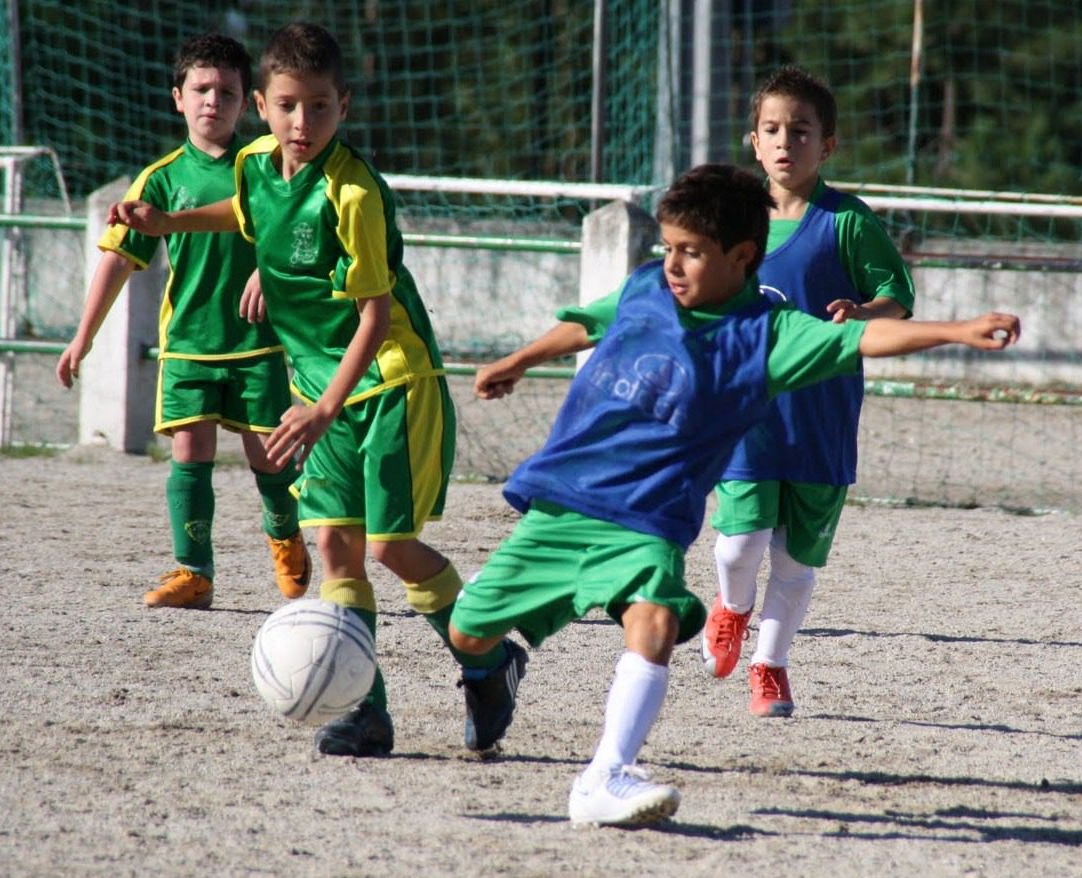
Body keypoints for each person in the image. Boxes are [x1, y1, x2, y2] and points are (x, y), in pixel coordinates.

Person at [453, 163, 1020, 827]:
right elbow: (584, 325)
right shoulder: (644, 289)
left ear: (742, 257)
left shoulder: (765, 336)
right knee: (468, 631)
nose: (672, 264)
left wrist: (957, 331)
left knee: (656, 622)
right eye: (667, 247)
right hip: (565, 497)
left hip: (648, 519)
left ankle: (606, 775)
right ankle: (495, 673)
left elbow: (861, 335)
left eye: (691, 252)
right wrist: (519, 360)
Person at [106, 22, 527, 759]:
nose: (305, 124)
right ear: (263, 106)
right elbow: (244, 215)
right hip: (318, 388)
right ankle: (367, 710)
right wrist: (167, 220)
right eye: (291, 107)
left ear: (345, 106)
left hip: (390, 383)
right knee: (334, 546)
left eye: (322, 107)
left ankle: (488, 660)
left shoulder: (355, 192)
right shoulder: (256, 167)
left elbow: (372, 315)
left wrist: (325, 405)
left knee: (392, 546)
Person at [56, 33, 310, 611]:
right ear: (178, 97)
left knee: (268, 458)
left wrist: (273, 274)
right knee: (189, 457)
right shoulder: (160, 178)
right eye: (201, 89)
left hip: (257, 345)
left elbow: (301, 237)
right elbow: (118, 259)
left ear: (248, 103)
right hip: (190, 344)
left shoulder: (267, 167)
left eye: (227, 91)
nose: (212, 101)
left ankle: (283, 533)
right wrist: (83, 336)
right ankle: (194, 572)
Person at [700, 65, 917, 717]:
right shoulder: (732, 218)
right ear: (753, 141)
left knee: (795, 560)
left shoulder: (847, 222)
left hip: (822, 415)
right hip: (748, 413)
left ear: (829, 146)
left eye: (801, 129)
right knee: (741, 542)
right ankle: (733, 608)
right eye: (772, 129)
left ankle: (771, 667)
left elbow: (898, 300)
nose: (785, 141)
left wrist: (864, 313)